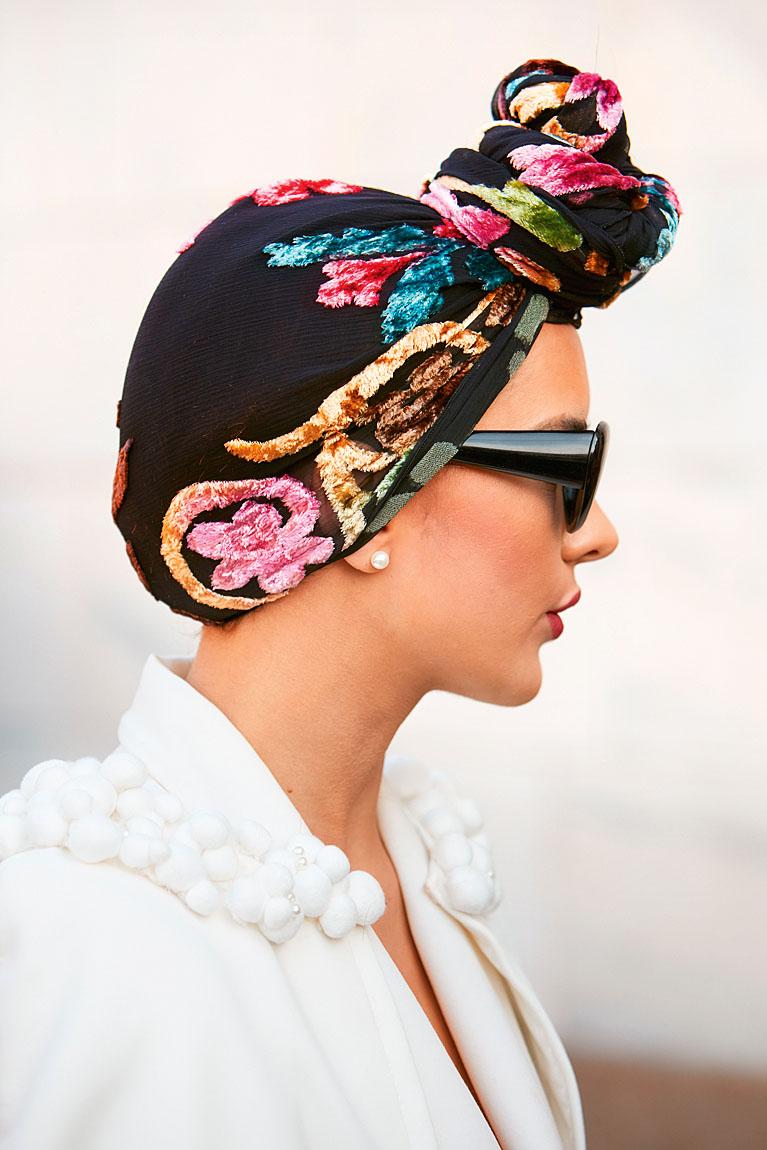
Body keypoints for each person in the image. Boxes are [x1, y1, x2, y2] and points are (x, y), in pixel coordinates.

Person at [0, 58, 681, 1150]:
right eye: (563, 465)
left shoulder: (414, 861)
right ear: (363, 491)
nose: (594, 529)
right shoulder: (83, 953)